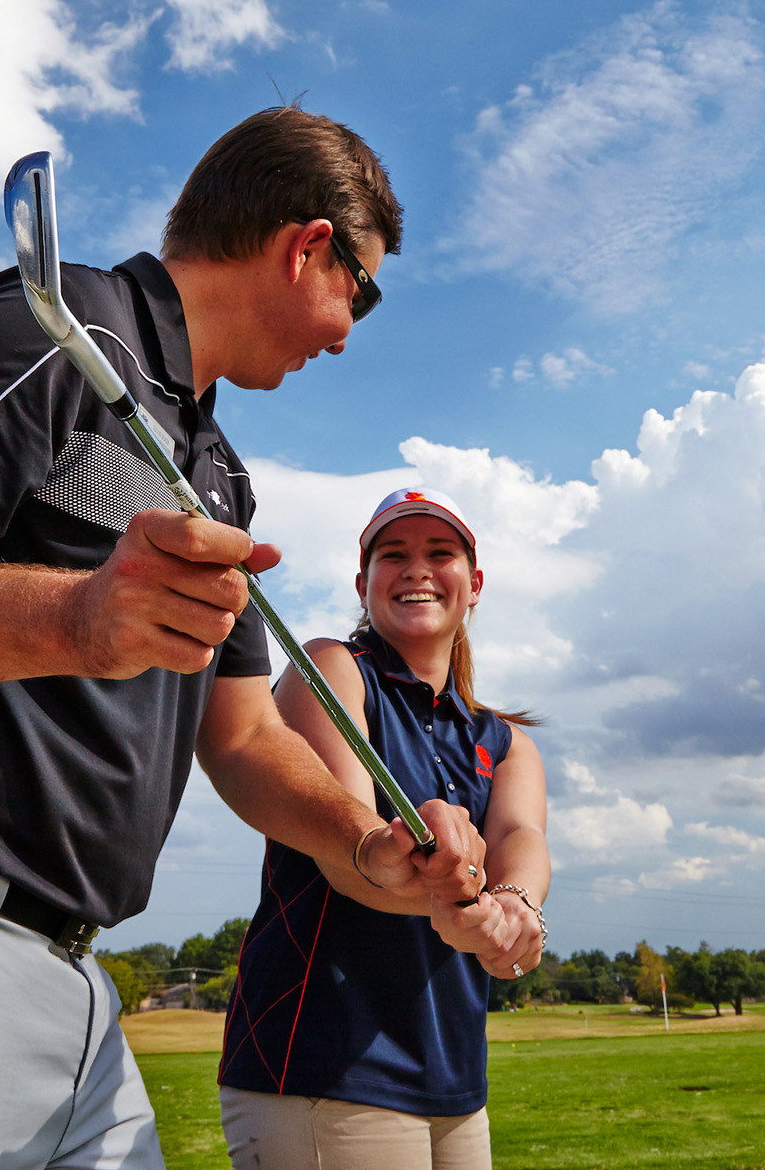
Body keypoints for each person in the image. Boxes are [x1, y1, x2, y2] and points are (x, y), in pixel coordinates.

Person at [0, 108, 487, 1170]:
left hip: (69, 982)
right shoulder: (53, 330)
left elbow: (240, 738)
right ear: (309, 247)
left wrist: (362, 839)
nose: (346, 329)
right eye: (359, 293)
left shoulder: (220, 470)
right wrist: (74, 615)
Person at [217, 487, 551, 1170]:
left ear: (475, 583)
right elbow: (353, 859)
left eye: (440, 553)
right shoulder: (331, 669)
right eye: (392, 555)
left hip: (454, 1072)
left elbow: (523, 842)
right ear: (363, 584)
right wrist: (466, 908)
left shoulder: (505, 740)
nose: (417, 569)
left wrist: (516, 912)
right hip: (322, 1060)